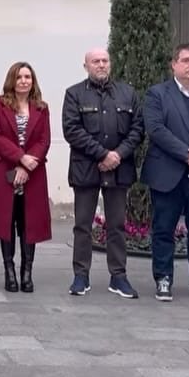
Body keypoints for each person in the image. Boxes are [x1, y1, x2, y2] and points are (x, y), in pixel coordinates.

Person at [62, 48, 144, 299]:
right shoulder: (74, 93)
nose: (101, 65)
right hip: (87, 168)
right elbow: (72, 129)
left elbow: (138, 129)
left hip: (119, 169)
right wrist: (102, 154)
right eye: (95, 61)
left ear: (111, 64)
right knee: (83, 225)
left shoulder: (127, 94)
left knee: (118, 224)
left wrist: (117, 155)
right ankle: (81, 276)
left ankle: (118, 276)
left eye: (105, 60)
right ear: (85, 66)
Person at [0, 62, 52, 293]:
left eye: (28, 77)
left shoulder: (41, 107)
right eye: (19, 76)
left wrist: (28, 165)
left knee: (28, 222)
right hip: (5, 171)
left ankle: (27, 272)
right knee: (6, 221)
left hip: (33, 173)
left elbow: (44, 140)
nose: (24, 81)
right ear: (12, 79)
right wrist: (21, 158)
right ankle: (9, 271)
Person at [142, 42, 189, 302]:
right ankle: (163, 278)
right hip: (167, 173)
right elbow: (156, 130)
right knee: (164, 229)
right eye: (186, 60)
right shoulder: (157, 94)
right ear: (174, 65)